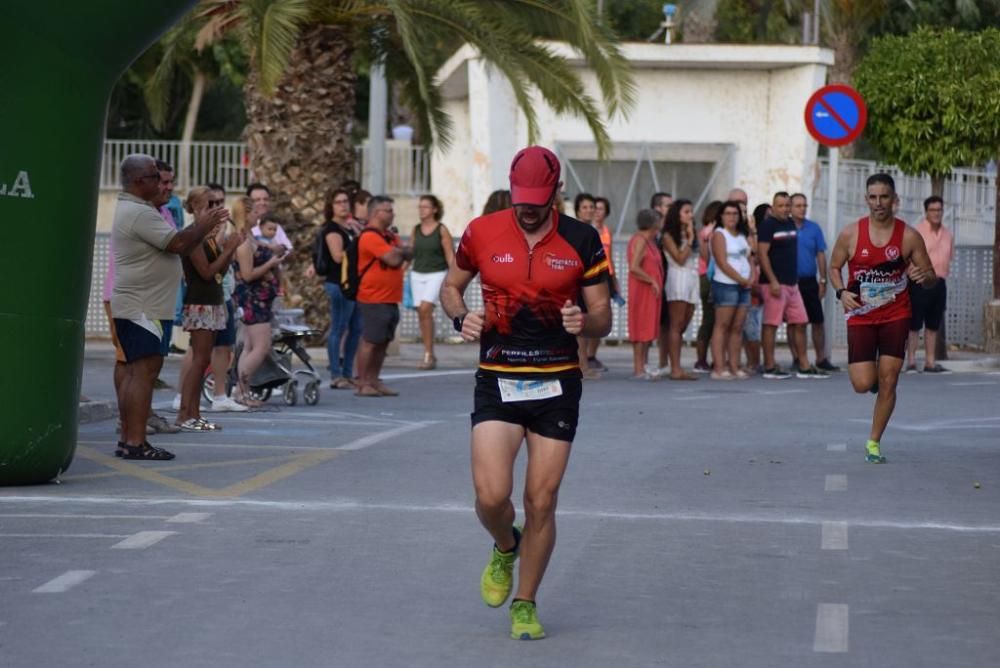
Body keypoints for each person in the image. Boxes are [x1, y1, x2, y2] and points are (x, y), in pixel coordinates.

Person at [440, 146, 611, 641]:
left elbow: (602, 311)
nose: (528, 208)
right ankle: (503, 544)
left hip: (558, 382)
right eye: (521, 199)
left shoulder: (583, 239)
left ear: (556, 191)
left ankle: (526, 602)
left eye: (537, 199)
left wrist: (586, 320)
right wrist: (461, 314)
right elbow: (452, 287)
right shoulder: (481, 231)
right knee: (492, 496)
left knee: (542, 499)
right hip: (497, 376)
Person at [110, 154, 226, 460]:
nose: (163, 184)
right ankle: (135, 441)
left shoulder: (141, 209)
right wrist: (204, 224)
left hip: (144, 305)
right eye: (154, 178)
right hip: (143, 306)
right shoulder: (139, 213)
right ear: (138, 182)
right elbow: (178, 244)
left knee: (142, 370)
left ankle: (130, 440)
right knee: (142, 372)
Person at [829, 173, 937, 464]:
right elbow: (834, 267)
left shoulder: (909, 236)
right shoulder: (851, 234)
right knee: (863, 384)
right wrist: (841, 292)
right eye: (873, 197)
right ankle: (873, 380)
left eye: (884, 197)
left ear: (894, 200)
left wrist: (922, 275)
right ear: (866, 199)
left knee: (889, 380)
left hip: (895, 314)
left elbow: (931, 278)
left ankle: (873, 443)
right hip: (861, 315)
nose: (878, 203)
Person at [173, 187, 244, 431]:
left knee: (204, 360)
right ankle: (185, 413)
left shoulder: (207, 237)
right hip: (200, 302)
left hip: (213, 301)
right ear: (194, 207)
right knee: (200, 358)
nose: (213, 209)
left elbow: (219, 272)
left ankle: (194, 412)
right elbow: (206, 272)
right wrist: (229, 249)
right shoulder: (193, 236)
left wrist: (228, 249)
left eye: (216, 204)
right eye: (207, 205)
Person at [757, 192, 826, 379]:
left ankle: (804, 365)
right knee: (771, 324)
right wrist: (772, 280)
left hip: (792, 283)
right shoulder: (767, 225)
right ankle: (769, 365)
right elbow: (762, 254)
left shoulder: (789, 224)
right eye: (781, 205)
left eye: (787, 205)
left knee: (801, 322)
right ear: (773, 206)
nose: (785, 209)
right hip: (774, 283)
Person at [355, 196, 412, 397]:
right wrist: (400, 252)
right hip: (373, 297)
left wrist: (400, 252)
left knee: (383, 341)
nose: (392, 213)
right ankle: (363, 382)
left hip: (390, 297)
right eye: (387, 210)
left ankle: (374, 380)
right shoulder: (370, 236)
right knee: (370, 341)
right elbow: (393, 258)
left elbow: (405, 253)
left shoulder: (389, 236)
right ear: (375, 213)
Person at [234, 211, 286, 406]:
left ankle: (243, 392)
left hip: (261, 299)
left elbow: (266, 248)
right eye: (252, 211)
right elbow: (248, 274)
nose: (258, 214)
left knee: (249, 347)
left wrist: (274, 250)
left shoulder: (251, 237)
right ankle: (241, 391)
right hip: (255, 300)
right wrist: (271, 263)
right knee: (261, 347)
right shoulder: (244, 241)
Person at [319, 188, 363, 389]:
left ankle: (347, 373)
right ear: (331, 206)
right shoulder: (332, 229)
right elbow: (338, 256)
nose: (343, 205)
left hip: (352, 285)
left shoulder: (350, 227)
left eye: (346, 201)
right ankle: (336, 374)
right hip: (338, 284)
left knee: (356, 328)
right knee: (339, 327)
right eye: (338, 202)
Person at [906, 196, 954, 373]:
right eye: (933, 210)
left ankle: (930, 361)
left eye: (939, 210)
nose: (937, 213)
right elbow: (908, 258)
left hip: (939, 282)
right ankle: (911, 361)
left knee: (934, 324)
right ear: (926, 212)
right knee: (914, 324)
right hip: (920, 282)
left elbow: (949, 257)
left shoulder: (948, 234)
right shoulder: (917, 232)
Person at [791, 193, 838, 372]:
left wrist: (823, 280)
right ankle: (797, 357)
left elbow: (820, 254)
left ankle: (820, 358)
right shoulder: (786, 227)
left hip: (809, 280)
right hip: (791, 282)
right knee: (795, 323)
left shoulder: (814, 228)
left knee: (817, 320)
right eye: (798, 205)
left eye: (804, 205)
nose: (802, 209)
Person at [410, 194, 455, 370]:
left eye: (425, 207)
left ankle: (428, 355)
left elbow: (450, 254)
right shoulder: (415, 229)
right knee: (422, 314)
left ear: (434, 210)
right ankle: (429, 352)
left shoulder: (441, 229)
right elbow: (411, 252)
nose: (421, 210)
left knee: (425, 308)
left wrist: (454, 277)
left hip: (437, 273)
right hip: (417, 274)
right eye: (420, 206)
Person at [709, 201, 754, 379]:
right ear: (721, 216)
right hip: (726, 284)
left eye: (735, 213)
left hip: (744, 285)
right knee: (722, 326)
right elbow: (722, 262)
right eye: (728, 213)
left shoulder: (742, 235)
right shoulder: (719, 234)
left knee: (737, 327)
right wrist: (741, 279)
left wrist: (750, 278)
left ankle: (734, 365)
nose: (732, 217)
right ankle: (719, 367)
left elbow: (750, 255)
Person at [661, 199, 699, 380]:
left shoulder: (691, 233)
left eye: (691, 211)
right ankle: (675, 368)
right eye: (686, 212)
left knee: (684, 324)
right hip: (678, 277)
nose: (690, 215)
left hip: (692, 277)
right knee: (676, 325)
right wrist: (690, 240)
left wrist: (693, 236)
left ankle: (676, 364)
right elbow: (680, 258)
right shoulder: (668, 235)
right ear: (677, 214)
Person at [581, 196, 618, 372]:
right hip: (588, 276)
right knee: (586, 315)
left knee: (601, 313)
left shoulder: (605, 231)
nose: (595, 211)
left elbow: (608, 256)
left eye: (599, 208)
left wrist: (614, 279)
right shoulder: (583, 230)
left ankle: (591, 355)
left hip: (605, 274)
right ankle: (583, 359)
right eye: (592, 208)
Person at [627, 209, 664, 379]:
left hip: (649, 290)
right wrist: (652, 280)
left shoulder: (650, 241)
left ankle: (643, 365)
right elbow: (634, 267)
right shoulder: (640, 240)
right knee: (641, 325)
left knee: (647, 326)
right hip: (642, 289)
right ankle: (638, 367)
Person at [572, 193, 600, 378]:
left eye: (592, 207)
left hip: (592, 280)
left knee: (588, 322)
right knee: (579, 324)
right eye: (585, 207)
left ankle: (583, 362)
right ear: (577, 210)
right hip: (578, 281)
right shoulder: (575, 230)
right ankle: (581, 365)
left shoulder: (594, 230)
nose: (589, 210)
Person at [694, 200, 723, 373]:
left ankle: (714, 358)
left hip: (715, 276)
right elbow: (706, 256)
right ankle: (701, 359)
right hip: (708, 277)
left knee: (717, 321)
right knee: (709, 319)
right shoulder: (707, 232)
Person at [743, 203, 770, 373]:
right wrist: (752, 231)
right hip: (749, 281)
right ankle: (752, 361)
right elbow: (754, 255)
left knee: (756, 324)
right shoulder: (750, 236)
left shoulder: (766, 236)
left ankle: (756, 361)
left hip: (761, 282)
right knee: (749, 325)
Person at [650, 192, 673, 376]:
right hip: (655, 281)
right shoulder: (650, 232)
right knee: (654, 321)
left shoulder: (672, 230)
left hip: (671, 279)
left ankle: (665, 360)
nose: (671, 209)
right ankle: (649, 361)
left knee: (668, 322)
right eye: (667, 205)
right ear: (658, 208)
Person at [247, 183, 293, 251]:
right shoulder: (246, 226)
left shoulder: (274, 224)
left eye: (265, 199)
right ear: (249, 202)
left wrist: (282, 250)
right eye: (257, 200)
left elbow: (290, 250)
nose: (262, 203)